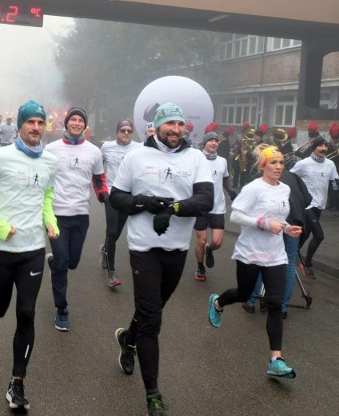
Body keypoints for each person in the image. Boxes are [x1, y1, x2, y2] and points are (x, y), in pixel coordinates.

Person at [110, 102, 213, 416]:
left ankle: (128, 338)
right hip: (143, 248)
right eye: (171, 125)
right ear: (156, 126)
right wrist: (143, 202)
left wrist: (172, 209)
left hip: (177, 249)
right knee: (152, 319)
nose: (177, 131)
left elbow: (205, 199)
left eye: (181, 125)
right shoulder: (136, 157)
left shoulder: (195, 158)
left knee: (151, 308)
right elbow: (116, 197)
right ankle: (153, 395)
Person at [0, 100, 58, 412]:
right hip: (0, 247)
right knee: (4, 304)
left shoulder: (50, 160)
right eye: (30, 122)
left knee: (26, 312)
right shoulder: (1, 157)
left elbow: (47, 194)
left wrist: (51, 221)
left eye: (40, 123)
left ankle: (17, 382)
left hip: (34, 249)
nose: (36, 128)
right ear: (20, 125)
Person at [207, 144, 302, 380]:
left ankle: (276, 360)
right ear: (263, 166)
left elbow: (278, 218)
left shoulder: (285, 189)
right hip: (250, 252)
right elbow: (236, 215)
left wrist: (288, 228)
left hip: (276, 255)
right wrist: (263, 224)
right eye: (273, 163)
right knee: (243, 293)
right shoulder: (253, 188)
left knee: (275, 304)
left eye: (281, 163)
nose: (278, 167)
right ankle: (219, 302)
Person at [44, 107, 108, 331]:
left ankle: (55, 262)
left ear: (85, 125)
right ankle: (61, 309)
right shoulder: (51, 149)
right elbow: (42, 177)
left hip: (81, 215)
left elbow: (99, 179)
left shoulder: (94, 151)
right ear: (66, 122)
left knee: (72, 262)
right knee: (62, 263)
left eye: (81, 120)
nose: (77, 123)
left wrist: (104, 196)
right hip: (56, 215)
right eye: (73, 119)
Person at [244, 168, 312, 318]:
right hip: (294, 221)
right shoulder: (293, 176)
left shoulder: (257, 177)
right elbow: (308, 199)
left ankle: (251, 301)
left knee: (261, 259)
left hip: (272, 223)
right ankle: (282, 308)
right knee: (289, 263)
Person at [99, 119, 142, 287]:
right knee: (111, 231)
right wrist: (101, 189)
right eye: (123, 130)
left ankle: (105, 250)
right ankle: (112, 273)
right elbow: (98, 169)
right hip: (111, 194)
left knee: (116, 234)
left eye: (129, 130)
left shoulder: (139, 148)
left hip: (127, 196)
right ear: (117, 131)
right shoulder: (106, 147)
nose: (126, 133)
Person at [290, 137, 339, 279]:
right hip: (307, 205)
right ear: (314, 147)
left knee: (305, 235)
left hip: (319, 205)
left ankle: (289, 254)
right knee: (319, 235)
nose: (323, 148)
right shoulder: (303, 163)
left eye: (325, 146)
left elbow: (336, 181)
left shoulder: (330, 164)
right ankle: (307, 263)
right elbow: (290, 178)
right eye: (320, 146)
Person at [194, 131, 237, 282]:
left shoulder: (223, 161)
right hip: (200, 206)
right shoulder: (196, 159)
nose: (214, 143)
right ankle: (200, 267)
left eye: (216, 141)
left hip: (217, 207)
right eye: (210, 140)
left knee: (217, 242)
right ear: (204, 143)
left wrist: (232, 192)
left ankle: (209, 249)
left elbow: (226, 180)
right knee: (201, 239)